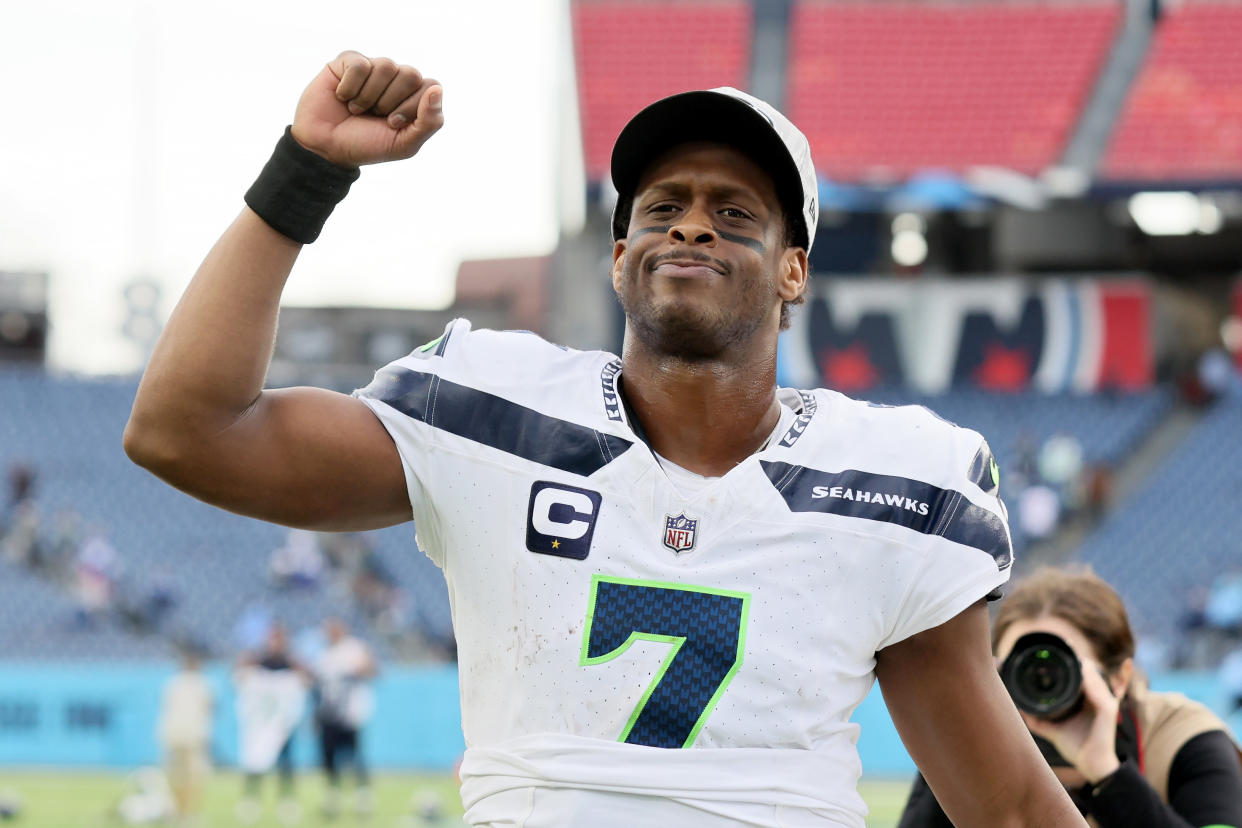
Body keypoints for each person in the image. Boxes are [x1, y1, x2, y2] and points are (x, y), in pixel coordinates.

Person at [124, 50, 1087, 826]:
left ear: (794, 272)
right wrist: (308, 170)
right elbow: (187, 431)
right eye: (661, 208)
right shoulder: (492, 409)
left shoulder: (892, 486)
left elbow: (1003, 805)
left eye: (734, 213)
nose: (691, 228)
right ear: (622, 256)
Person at [897, 566, 1242, 826]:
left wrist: (1108, 774)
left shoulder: (1182, 736)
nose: (1041, 681)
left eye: (1063, 667)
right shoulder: (981, 739)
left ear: (1120, 678)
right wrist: (961, 740)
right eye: (1023, 667)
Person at [234, 622, 309, 826]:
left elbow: (306, 681)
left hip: (282, 724)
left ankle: (286, 801)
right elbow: (240, 678)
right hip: (261, 724)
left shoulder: (291, 662)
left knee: (286, 763)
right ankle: (251, 800)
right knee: (255, 760)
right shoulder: (258, 661)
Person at [313, 617, 378, 817]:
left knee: (355, 758)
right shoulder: (324, 655)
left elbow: (371, 670)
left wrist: (356, 669)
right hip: (330, 715)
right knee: (329, 760)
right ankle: (333, 800)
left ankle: (363, 799)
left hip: (351, 714)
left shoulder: (354, 649)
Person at [158, 645, 214, 826]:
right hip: (182, 735)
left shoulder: (195, 683)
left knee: (191, 777)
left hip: (188, 736)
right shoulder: (183, 683)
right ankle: (179, 811)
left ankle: (186, 812)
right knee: (179, 776)